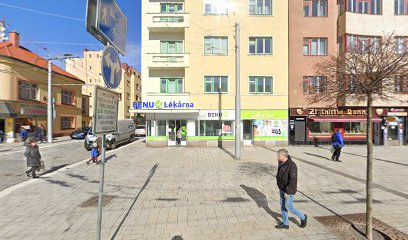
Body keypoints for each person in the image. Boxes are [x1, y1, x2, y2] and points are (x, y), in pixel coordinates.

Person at [275, 149, 307, 230]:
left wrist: (288, 192)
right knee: (283, 206)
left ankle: (303, 217)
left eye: (278, 156)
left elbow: (293, 180)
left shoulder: (292, 165)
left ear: (283, 156)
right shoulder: (281, 163)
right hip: (282, 188)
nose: (277, 157)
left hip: (288, 190)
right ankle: (285, 223)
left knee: (288, 206)